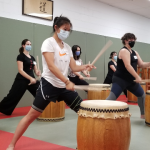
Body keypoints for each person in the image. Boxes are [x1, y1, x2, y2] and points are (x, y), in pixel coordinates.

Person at [6, 16, 95, 150]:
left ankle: (81, 145)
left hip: (64, 87)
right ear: (56, 27)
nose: (66, 32)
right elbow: (52, 66)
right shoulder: (48, 43)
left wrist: (84, 67)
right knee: (31, 116)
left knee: (85, 113)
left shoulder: (68, 47)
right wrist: (67, 81)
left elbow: (73, 67)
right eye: (65, 29)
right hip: (49, 86)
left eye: (69, 30)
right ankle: (12, 144)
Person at [106, 33, 150, 119]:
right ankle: (97, 112)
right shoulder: (123, 51)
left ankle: (143, 115)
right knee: (111, 98)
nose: (133, 41)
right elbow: (128, 66)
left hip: (131, 81)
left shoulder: (135, 52)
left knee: (142, 95)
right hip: (120, 80)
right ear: (125, 40)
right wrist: (137, 76)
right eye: (131, 40)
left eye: (134, 40)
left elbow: (141, 64)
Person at [0, 39, 40, 116]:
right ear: (23, 45)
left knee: (40, 92)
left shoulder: (32, 58)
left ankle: (41, 109)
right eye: (27, 44)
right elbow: (20, 70)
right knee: (12, 96)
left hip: (32, 80)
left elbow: (35, 70)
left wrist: (38, 72)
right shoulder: (20, 56)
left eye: (30, 44)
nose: (29, 46)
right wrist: (31, 78)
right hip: (21, 80)